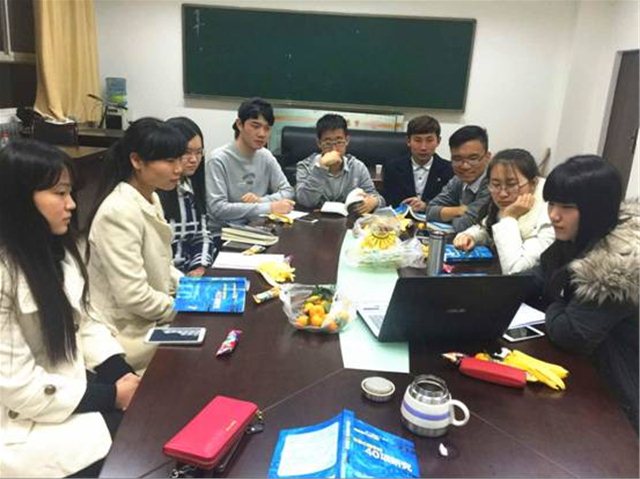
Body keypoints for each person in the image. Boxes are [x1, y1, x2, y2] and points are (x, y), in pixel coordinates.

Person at [0, 140, 139, 478]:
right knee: (138, 446)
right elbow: (18, 387)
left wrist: (120, 373)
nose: (72, 204)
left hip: (65, 394)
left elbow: (85, 322)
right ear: (19, 198)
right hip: (20, 423)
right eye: (60, 193)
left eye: (70, 192)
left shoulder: (57, 251)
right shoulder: (5, 272)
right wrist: (111, 396)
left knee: (149, 422)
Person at [528, 155, 638, 432]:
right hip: (587, 376)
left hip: (618, 397)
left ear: (595, 210)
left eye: (566, 207)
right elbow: (537, 276)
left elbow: (570, 333)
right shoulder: (580, 236)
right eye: (551, 204)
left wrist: (556, 298)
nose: (554, 215)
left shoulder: (617, 265)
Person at [86, 118, 186, 373]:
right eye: (169, 161)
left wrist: (191, 288)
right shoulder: (118, 211)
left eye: (179, 159)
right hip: (128, 332)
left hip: (151, 317)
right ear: (137, 161)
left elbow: (161, 263)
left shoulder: (150, 196)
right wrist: (182, 308)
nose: (178, 169)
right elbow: (134, 296)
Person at [453, 149, 554, 273]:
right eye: (495, 184)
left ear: (533, 183)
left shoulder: (549, 215)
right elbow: (487, 227)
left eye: (512, 184)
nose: (502, 194)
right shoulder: (507, 204)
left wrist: (509, 217)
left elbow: (515, 270)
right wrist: (470, 236)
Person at [205, 97, 295, 233]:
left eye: (267, 128)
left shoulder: (266, 156)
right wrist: (269, 207)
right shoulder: (218, 159)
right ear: (239, 124)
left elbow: (288, 191)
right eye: (255, 126)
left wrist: (260, 201)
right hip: (225, 233)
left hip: (259, 227)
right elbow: (218, 208)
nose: (262, 134)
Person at [158, 117, 215, 277]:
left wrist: (200, 267)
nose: (194, 159)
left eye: (199, 152)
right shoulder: (154, 193)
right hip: (166, 278)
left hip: (189, 274)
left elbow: (201, 235)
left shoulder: (190, 186)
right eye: (187, 153)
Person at [295, 113, 384, 214]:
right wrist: (321, 168)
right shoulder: (305, 166)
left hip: (349, 221)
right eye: (328, 143)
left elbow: (378, 198)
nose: (334, 149)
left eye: (339, 142)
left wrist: (374, 202)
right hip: (314, 220)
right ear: (319, 143)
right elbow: (304, 202)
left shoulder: (357, 167)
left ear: (347, 141)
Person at [424, 125, 492, 232]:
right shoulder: (459, 179)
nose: (465, 166)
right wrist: (459, 210)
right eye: (457, 159)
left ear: (487, 157)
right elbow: (430, 211)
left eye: (473, 158)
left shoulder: (493, 183)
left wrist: (448, 214)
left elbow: (464, 224)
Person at [383, 114, 453, 209]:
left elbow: (451, 204)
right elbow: (389, 202)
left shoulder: (450, 170)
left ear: (438, 141)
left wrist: (426, 206)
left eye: (429, 140)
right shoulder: (393, 167)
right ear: (408, 141)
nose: (423, 147)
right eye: (418, 140)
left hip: (433, 217)